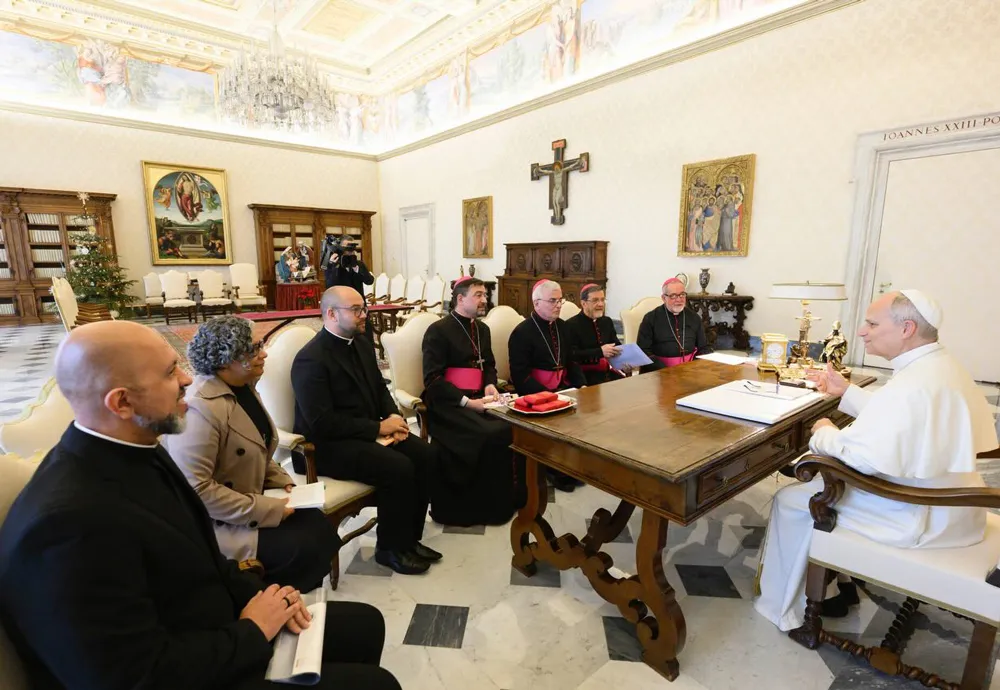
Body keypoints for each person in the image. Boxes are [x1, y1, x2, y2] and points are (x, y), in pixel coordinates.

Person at [0, 321, 399, 690]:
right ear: (121, 403)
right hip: (189, 668)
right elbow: (131, 676)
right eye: (170, 372)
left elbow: (203, 555)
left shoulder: (138, 445)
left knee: (365, 625)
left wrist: (267, 596)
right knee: (376, 684)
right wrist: (252, 632)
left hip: (210, 625)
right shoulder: (68, 525)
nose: (188, 380)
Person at [754, 290, 998, 632]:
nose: (862, 331)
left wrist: (822, 431)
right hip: (956, 508)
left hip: (917, 514)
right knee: (817, 491)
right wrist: (846, 392)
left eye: (872, 323)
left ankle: (782, 610)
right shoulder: (939, 365)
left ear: (906, 328)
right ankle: (836, 584)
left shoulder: (914, 383)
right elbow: (905, 422)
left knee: (792, 499)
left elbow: (860, 459)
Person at [166, 316, 340, 593]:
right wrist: (267, 509)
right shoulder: (200, 409)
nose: (263, 353)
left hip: (246, 502)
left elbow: (257, 445)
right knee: (302, 545)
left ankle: (298, 605)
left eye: (258, 345)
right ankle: (274, 606)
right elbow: (196, 489)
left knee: (318, 526)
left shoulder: (243, 388)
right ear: (224, 362)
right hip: (217, 523)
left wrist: (280, 478)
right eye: (251, 350)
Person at [291, 286, 440, 575]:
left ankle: (409, 540)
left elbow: (379, 387)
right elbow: (321, 422)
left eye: (364, 308)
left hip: (368, 432)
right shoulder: (310, 359)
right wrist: (377, 428)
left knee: (425, 454)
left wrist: (394, 419)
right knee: (397, 467)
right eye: (356, 310)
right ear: (331, 314)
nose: (364, 315)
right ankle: (389, 549)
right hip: (327, 446)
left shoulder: (359, 342)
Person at [421, 276, 526, 526]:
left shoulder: (482, 329)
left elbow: (488, 364)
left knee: (516, 426)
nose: (484, 300)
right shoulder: (438, 331)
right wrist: (467, 402)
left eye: (484, 295)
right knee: (492, 434)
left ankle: (509, 501)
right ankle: (478, 509)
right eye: (478, 295)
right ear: (460, 299)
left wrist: (490, 383)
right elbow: (432, 379)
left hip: (481, 397)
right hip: (448, 402)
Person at [508, 279, 586, 491]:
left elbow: (571, 361)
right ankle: (553, 470)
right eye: (553, 301)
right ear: (536, 303)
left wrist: (582, 386)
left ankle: (574, 467)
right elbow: (520, 376)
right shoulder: (522, 332)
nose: (559, 305)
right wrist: (549, 396)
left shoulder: (563, 327)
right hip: (535, 394)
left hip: (562, 388)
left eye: (560, 300)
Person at [637, 278, 711, 372]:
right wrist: (664, 370)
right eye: (673, 296)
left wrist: (693, 366)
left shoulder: (694, 317)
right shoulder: (650, 318)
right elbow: (643, 350)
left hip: (690, 371)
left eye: (682, 295)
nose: (679, 299)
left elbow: (704, 347)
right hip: (659, 373)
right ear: (664, 298)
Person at [565, 283, 628, 386]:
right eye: (595, 300)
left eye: (602, 300)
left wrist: (626, 360)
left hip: (607, 374)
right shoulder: (571, 325)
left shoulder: (606, 321)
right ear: (584, 303)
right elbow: (571, 355)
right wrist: (600, 352)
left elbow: (616, 344)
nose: (600, 304)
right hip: (585, 377)